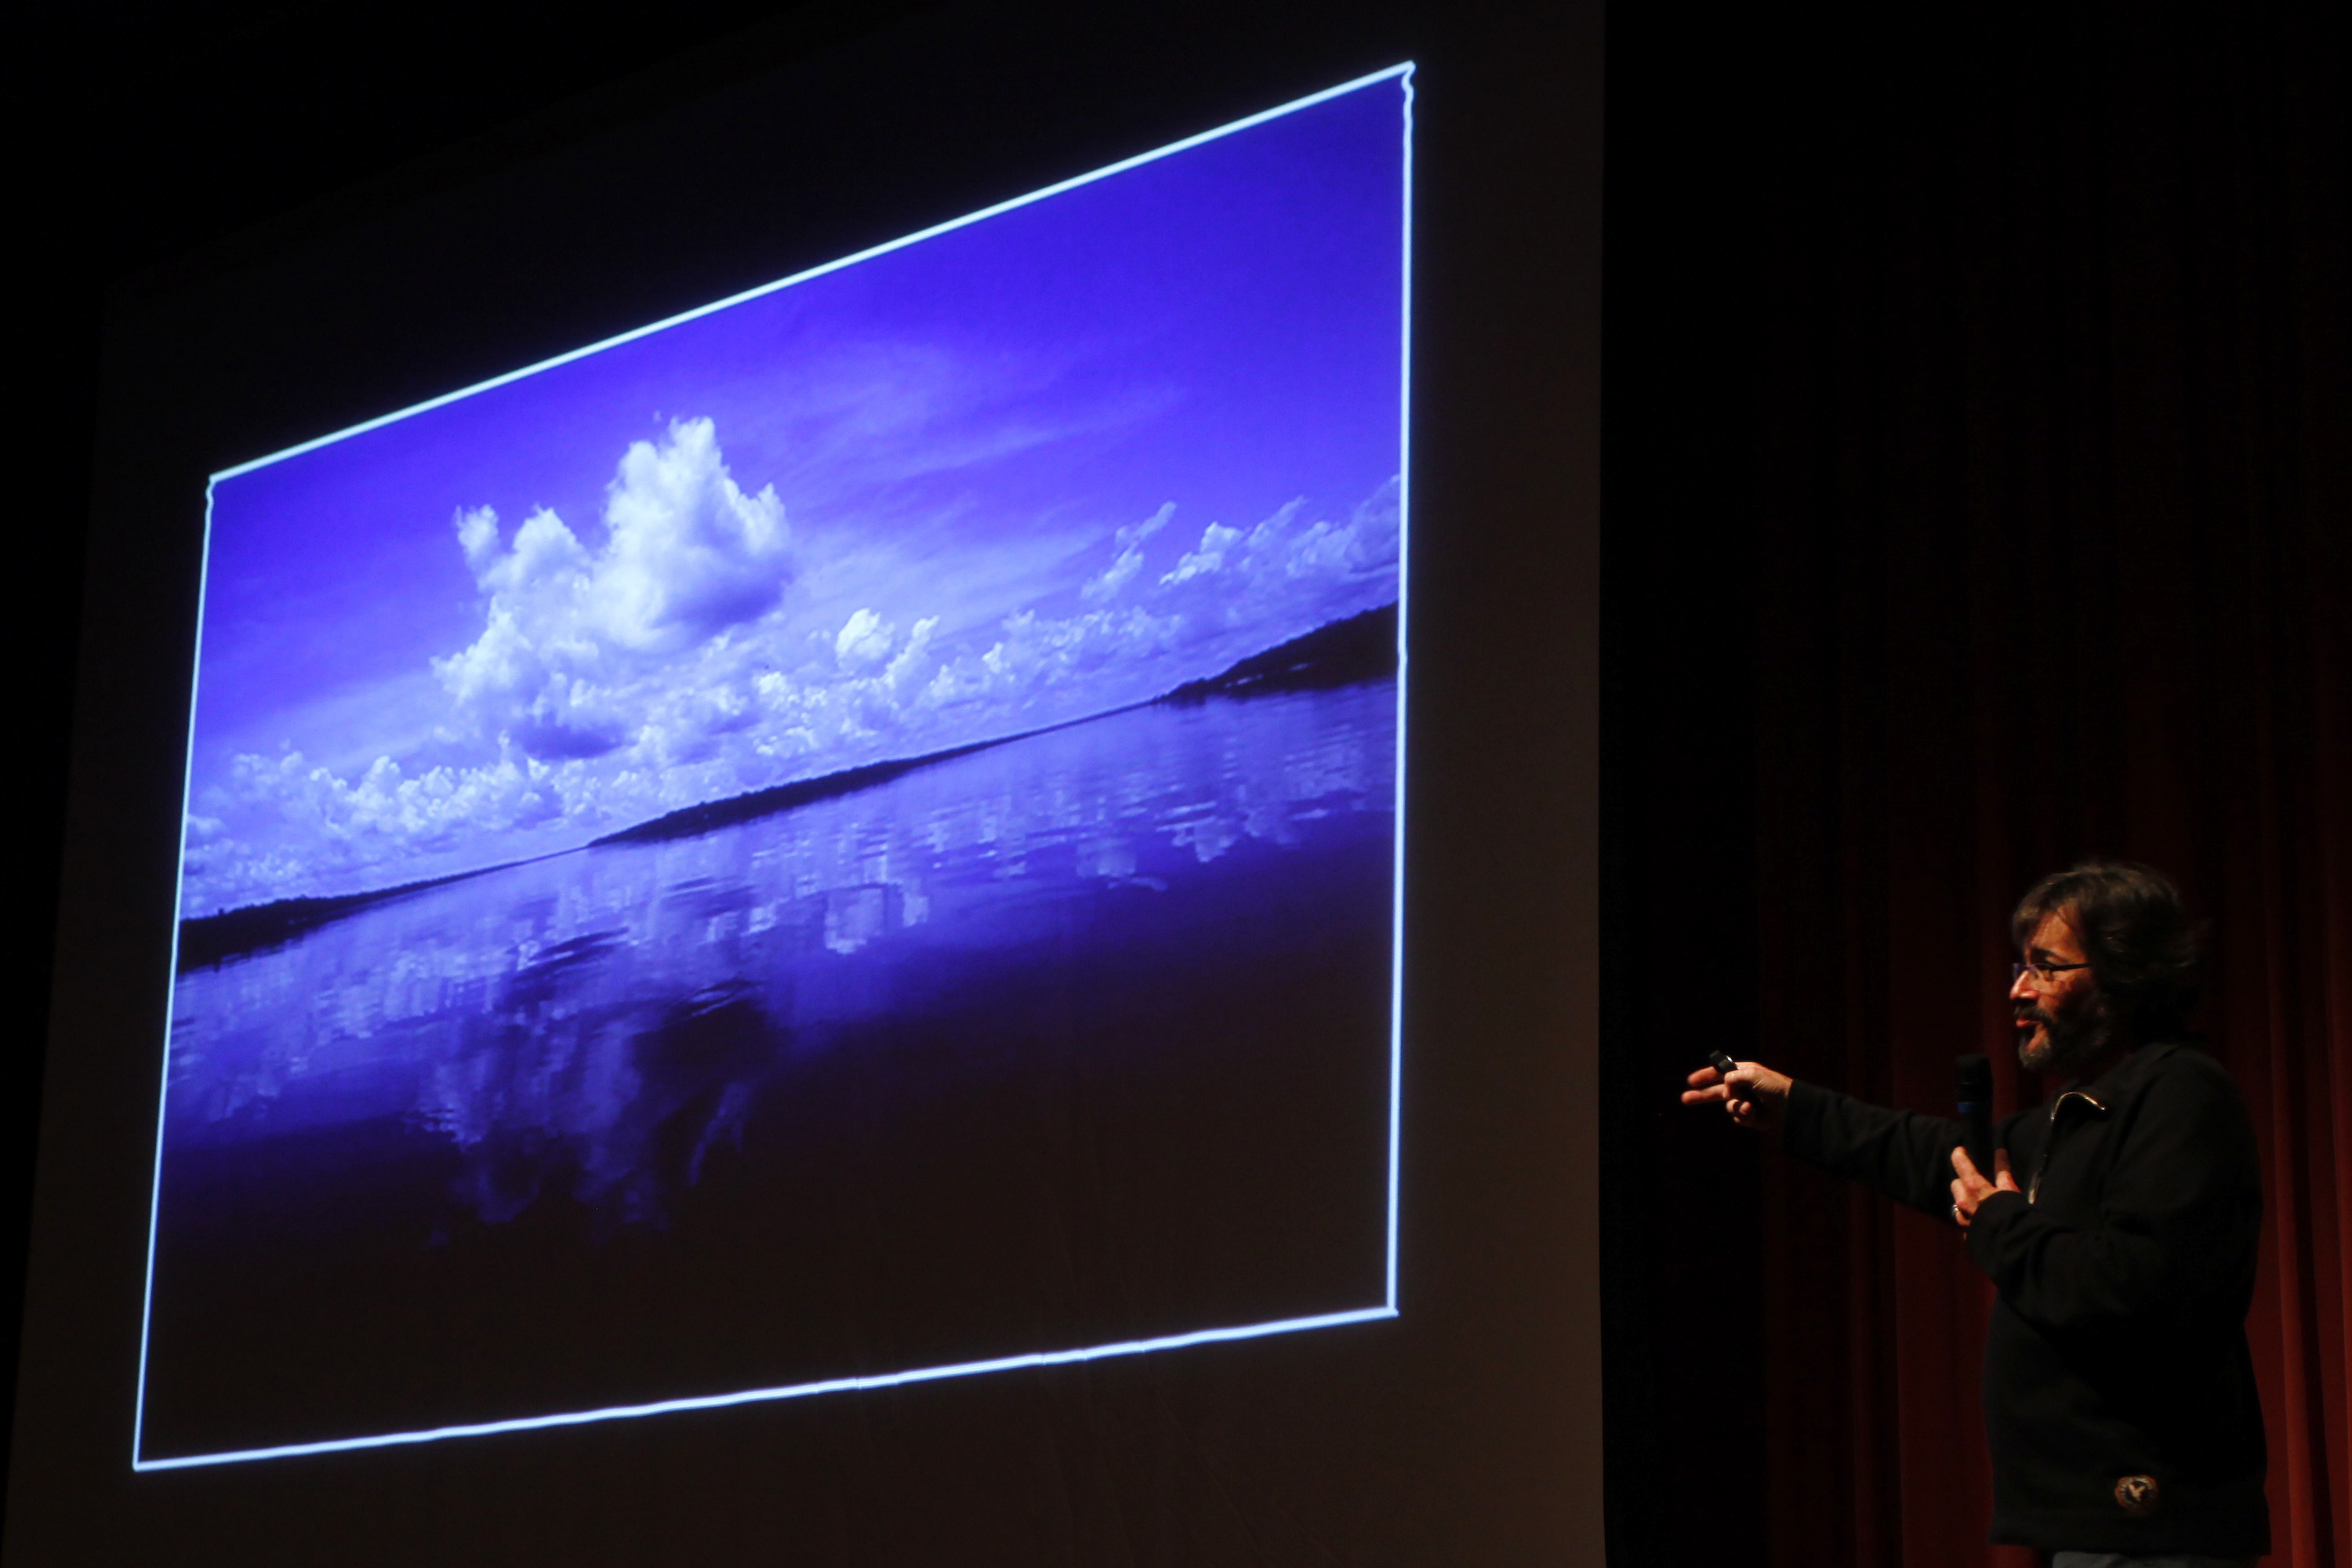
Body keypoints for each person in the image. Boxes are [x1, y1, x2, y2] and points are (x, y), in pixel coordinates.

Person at [1684, 862, 2268, 1567]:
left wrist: (2001, 1224)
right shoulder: (2076, 1117)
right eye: (2022, 967)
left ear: (2126, 975)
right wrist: (1794, 1106)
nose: (2018, 989)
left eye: (2045, 967)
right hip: (2096, 1526)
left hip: (2153, 1524)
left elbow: (2136, 1283)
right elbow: (1928, 1153)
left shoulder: (2180, 1094)